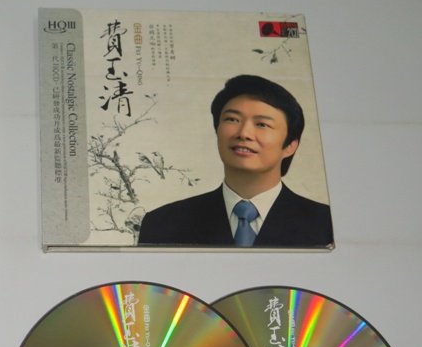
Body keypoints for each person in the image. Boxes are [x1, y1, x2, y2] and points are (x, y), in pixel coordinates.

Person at [138, 75, 333, 247]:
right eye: (232, 120)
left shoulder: (327, 224)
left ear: (290, 145)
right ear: (217, 130)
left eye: (262, 124)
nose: (244, 133)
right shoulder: (162, 224)